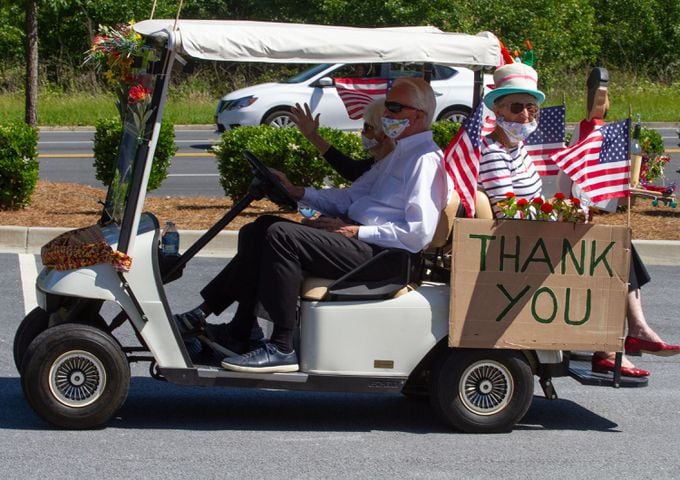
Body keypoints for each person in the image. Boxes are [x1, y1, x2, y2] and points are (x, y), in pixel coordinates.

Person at [175, 77, 451, 373]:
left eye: (394, 108)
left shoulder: (424, 160)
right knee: (259, 229)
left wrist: (358, 230)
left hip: (385, 256)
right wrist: (298, 192)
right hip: (364, 243)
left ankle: (282, 346)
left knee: (281, 235)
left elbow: (417, 233)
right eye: (387, 107)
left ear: (418, 116)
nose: (386, 115)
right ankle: (237, 329)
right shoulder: (398, 154)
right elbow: (349, 197)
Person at [478, 63, 679, 378]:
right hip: (516, 241)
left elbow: (529, 203)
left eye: (532, 108)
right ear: (499, 110)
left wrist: (562, 209)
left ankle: (626, 337)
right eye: (517, 107)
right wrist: (557, 213)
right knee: (612, 250)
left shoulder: (516, 149)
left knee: (619, 245)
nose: (526, 116)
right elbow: (508, 210)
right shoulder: (493, 152)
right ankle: (620, 342)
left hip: (530, 233)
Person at [290, 98, 394, 181]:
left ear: (384, 133)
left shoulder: (394, 167)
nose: (362, 132)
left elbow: (354, 173)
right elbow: (353, 170)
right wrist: (313, 136)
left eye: (367, 127)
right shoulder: (384, 161)